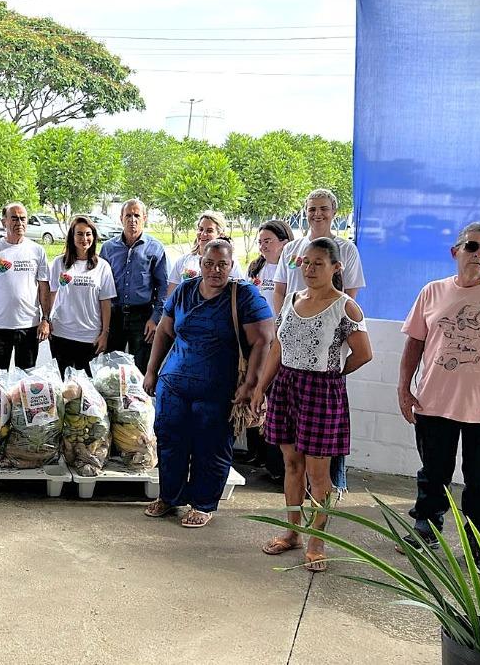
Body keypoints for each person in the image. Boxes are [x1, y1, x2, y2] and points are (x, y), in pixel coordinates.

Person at [396, 222, 480, 553]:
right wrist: (404, 388)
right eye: (472, 246)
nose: (479, 253)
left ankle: (479, 547)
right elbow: (414, 344)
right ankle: (425, 531)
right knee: (433, 475)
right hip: (433, 404)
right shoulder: (432, 291)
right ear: (455, 251)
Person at [253, 237, 373, 572]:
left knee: (319, 474)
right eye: (306, 263)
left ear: (336, 268)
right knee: (291, 465)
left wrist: (333, 376)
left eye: (319, 263)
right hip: (286, 386)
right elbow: (277, 347)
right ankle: (292, 532)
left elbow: (364, 353)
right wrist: (262, 387)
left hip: (321, 391)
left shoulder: (345, 307)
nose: (310, 269)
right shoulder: (291, 300)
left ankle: (317, 541)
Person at [142, 239, 274, 527]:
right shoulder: (186, 290)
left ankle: (203, 503)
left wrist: (251, 385)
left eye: (222, 264)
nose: (215, 270)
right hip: (173, 384)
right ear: (200, 263)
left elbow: (264, 340)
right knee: (169, 441)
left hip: (218, 388)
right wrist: (152, 372)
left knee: (211, 446)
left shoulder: (244, 296)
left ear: (231, 265)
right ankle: (169, 496)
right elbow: (164, 331)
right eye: (209, 263)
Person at [273, 189, 366, 495]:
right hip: (291, 358)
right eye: (311, 208)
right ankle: (292, 530)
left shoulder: (346, 249)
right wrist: (287, 324)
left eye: (323, 208)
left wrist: (334, 365)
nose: (317, 213)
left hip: (324, 362)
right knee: (292, 462)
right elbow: (280, 289)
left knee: (321, 467)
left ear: (334, 212)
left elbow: (349, 301)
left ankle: (323, 521)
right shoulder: (292, 249)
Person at [243, 219, 294, 479]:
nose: (263, 246)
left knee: (273, 397)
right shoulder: (256, 267)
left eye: (269, 241)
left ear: (284, 242)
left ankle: (274, 457)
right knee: (255, 391)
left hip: (280, 340)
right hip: (257, 338)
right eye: (260, 241)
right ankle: (256, 451)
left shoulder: (292, 268)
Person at [0, 203, 52, 370]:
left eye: (23, 219)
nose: (19, 223)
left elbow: (44, 287)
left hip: (29, 326)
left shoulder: (37, 251)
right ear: (4, 222)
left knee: (25, 382)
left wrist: (45, 319)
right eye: (14, 218)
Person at [101, 199, 170, 374]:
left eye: (137, 215)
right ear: (121, 218)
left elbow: (163, 287)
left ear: (144, 218)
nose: (132, 219)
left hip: (142, 317)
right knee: (110, 369)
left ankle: (139, 401)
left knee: (140, 369)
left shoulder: (155, 248)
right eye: (128, 215)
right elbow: (100, 286)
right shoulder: (108, 248)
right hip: (114, 314)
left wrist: (155, 319)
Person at [49, 216, 116, 374]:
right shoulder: (59, 263)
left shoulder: (102, 266)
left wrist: (105, 333)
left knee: (87, 390)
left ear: (93, 237)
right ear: (72, 237)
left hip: (90, 337)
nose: (84, 239)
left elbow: (106, 303)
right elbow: (51, 294)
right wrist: (46, 319)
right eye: (79, 234)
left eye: (88, 234)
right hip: (61, 333)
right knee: (63, 387)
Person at [167, 210, 245, 296]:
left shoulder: (229, 263)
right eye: (200, 229)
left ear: (220, 235)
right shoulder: (183, 261)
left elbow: (239, 292)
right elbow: (171, 295)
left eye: (209, 231)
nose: (203, 234)